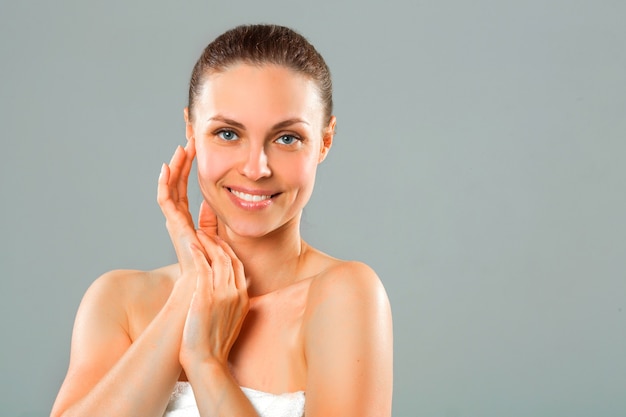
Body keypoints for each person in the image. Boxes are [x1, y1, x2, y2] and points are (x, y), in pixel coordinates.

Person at [50, 24, 393, 417]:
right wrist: (190, 293)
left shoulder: (344, 296)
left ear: (325, 141)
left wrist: (205, 363)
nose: (255, 168)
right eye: (228, 133)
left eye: (286, 138)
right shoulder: (119, 301)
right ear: (190, 130)